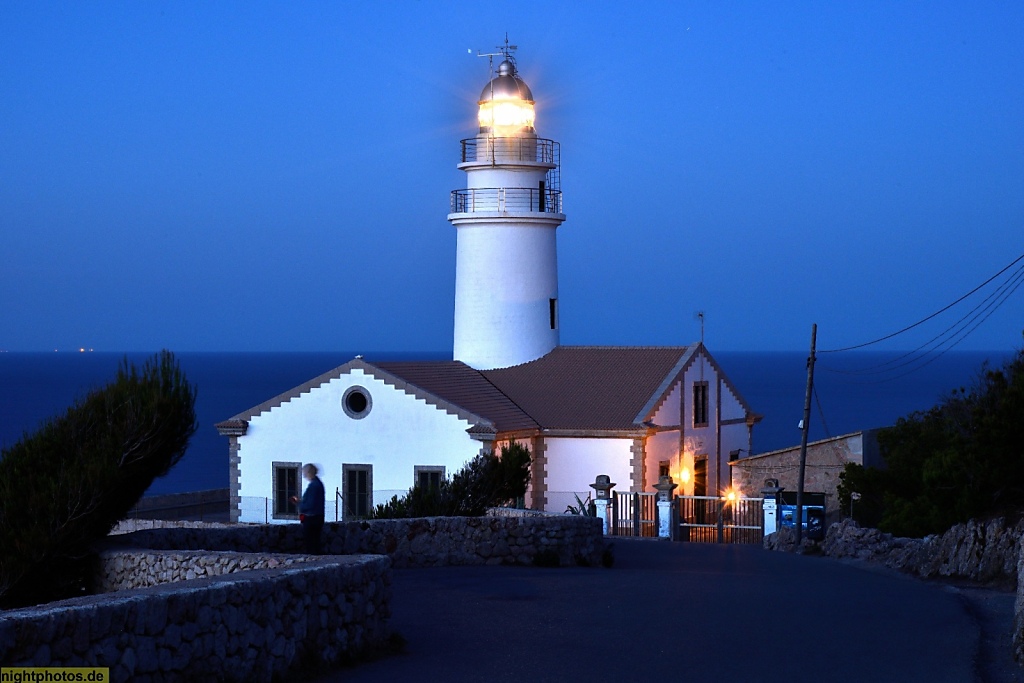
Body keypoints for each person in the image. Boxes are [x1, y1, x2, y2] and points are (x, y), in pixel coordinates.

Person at [290, 463, 325, 554]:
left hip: (312, 518)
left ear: (309, 472)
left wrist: (298, 504)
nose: (303, 474)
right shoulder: (318, 484)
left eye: (304, 472)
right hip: (318, 517)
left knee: (311, 543)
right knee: (315, 542)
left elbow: (310, 504)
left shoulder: (313, 486)